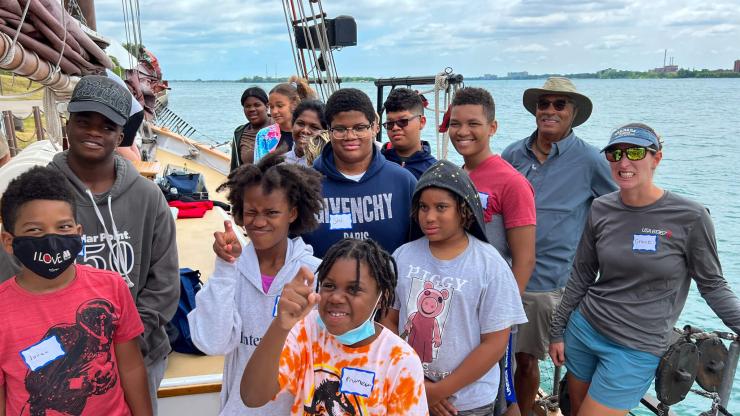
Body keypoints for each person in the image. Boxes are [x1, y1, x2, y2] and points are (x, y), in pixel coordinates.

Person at [549, 123, 740, 415]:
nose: (624, 162)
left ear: (657, 158)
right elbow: (582, 274)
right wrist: (557, 331)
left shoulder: (691, 216)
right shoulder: (600, 208)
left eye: (635, 152)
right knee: (574, 408)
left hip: (635, 348)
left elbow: (712, 284)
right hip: (585, 329)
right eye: (615, 154)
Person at [47, 74, 180, 414]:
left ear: (120, 136)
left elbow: (164, 283)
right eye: (84, 121)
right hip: (64, 362)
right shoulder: (40, 195)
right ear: (68, 124)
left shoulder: (149, 198)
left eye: (106, 126)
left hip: (141, 352)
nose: (94, 132)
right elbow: (17, 280)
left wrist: (126, 340)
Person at [501, 77, 616, 414]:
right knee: (494, 356)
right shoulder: (512, 153)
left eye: (559, 104)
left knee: (525, 361)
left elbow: (615, 211)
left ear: (573, 112)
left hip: (546, 282)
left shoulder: (590, 160)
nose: (549, 110)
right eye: (544, 103)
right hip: (503, 276)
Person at [0, 166, 152, 415]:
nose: (51, 240)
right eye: (35, 230)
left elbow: (131, 367)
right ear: (9, 241)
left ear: (79, 234)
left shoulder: (112, 286)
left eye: (63, 228)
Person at [382, 160, 527, 416]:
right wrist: (419, 382)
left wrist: (438, 391)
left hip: (468, 403)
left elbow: (494, 343)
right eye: (423, 207)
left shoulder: (490, 265)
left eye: (441, 207)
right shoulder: (403, 256)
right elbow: (388, 320)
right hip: (408, 387)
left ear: (464, 210)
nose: (429, 217)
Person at [188, 153, 324, 415]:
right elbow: (213, 343)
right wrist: (226, 266)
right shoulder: (231, 272)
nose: (259, 222)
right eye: (251, 212)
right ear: (239, 213)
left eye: (272, 212)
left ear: (292, 213)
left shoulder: (313, 273)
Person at [241, 238, 429, 415]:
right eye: (329, 286)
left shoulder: (400, 361)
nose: (336, 298)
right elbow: (252, 396)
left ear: (381, 297)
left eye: (353, 289)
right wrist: (280, 326)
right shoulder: (306, 330)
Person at [449, 87, 536, 415]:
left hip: (493, 310)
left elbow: (524, 258)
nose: (463, 132)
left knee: (505, 391)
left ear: (493, 128)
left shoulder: (511, 183)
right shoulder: (457, 175)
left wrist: (504, 318)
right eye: (456, 124)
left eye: (473, 123)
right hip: (459, 304)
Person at [302, 88, 417, 258]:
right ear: (328, 131)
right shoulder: (305, 186)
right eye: (340, 129)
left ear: (375, 128)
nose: (350, 136)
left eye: (360, 127)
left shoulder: (403, 182)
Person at [254, 77, 315, 162]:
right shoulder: (264, 135)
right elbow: (258, 167)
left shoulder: (307, 133)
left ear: (294, 104)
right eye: (271, 107)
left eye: (280, 106)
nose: (274, 111)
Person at [380, 88, 436, 178]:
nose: (395, 128)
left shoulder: (434, 172)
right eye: (390, 123)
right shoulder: (374, 165)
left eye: (402, 121)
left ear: (421, 122)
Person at [230, 87, 272, 170]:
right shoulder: (239, 133)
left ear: (267, 106)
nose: (252, 109)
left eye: (257, 105)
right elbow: (235, 168)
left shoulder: (279, 128)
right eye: (248, 106)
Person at [284, 99, 328, 166]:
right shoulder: (281, 162)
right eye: (300, 124)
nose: (305, 130)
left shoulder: (327, 166)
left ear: (325, 133)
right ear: (292, 125)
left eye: (314, 127)